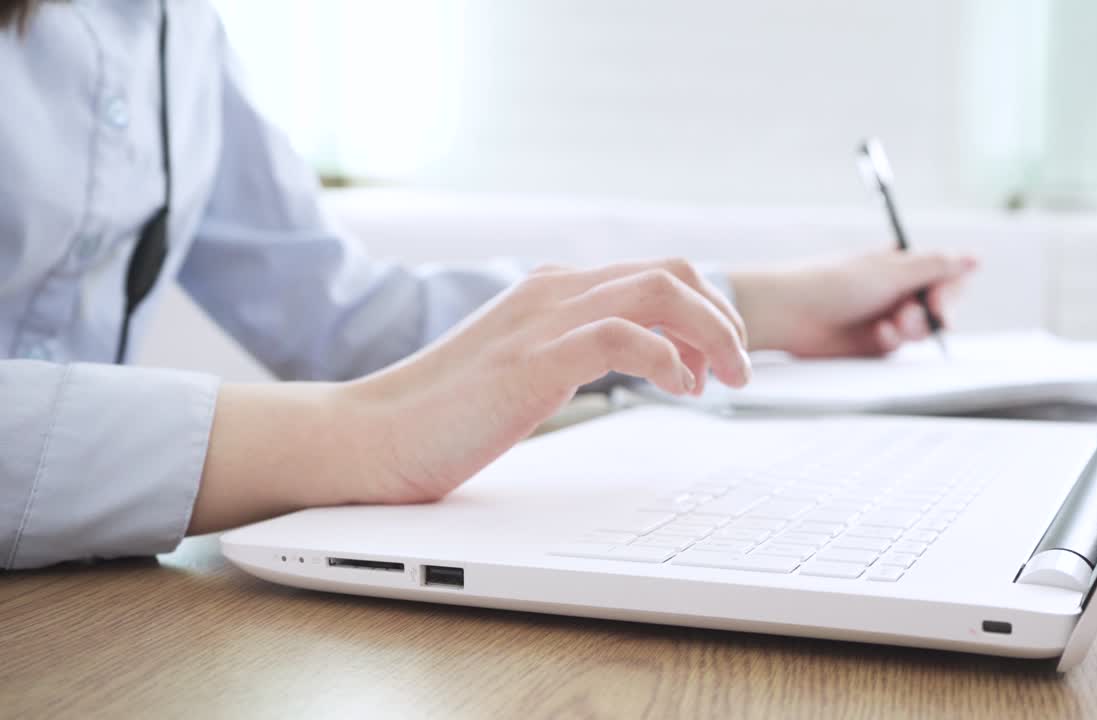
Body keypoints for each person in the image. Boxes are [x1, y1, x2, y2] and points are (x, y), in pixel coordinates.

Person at [0, 1, 975, 570]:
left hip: (88, 597)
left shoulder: (176, 28)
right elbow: (373, 389)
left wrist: (759, 306)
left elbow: (339, 312)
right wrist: (364, 434)